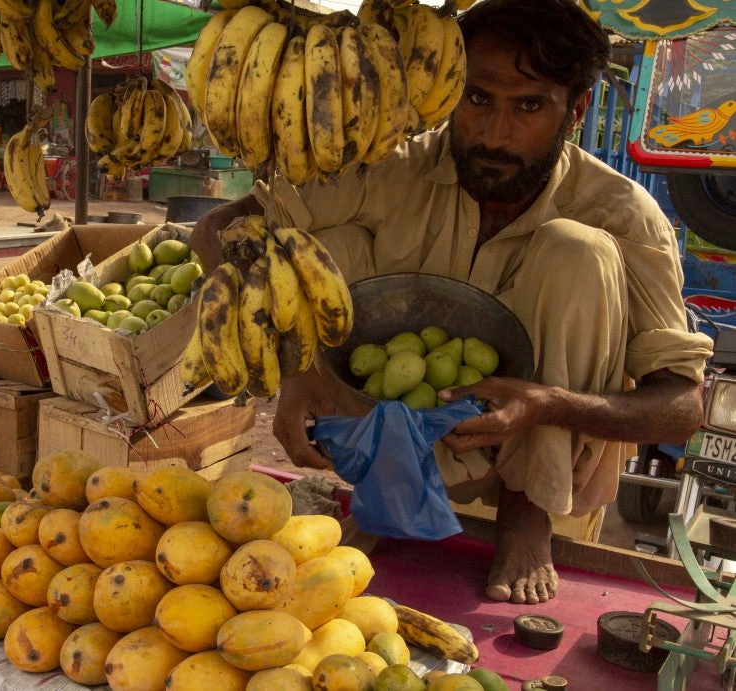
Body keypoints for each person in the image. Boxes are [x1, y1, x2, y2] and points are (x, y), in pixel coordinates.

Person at [190, 0, 714, 605]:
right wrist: (298, 369)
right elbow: (217, 232)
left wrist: (546, 404)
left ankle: (527, 517)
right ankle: (384, 492)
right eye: (478, 99)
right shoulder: (392, 164)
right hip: (389, 429)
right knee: (318, 245)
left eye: (529, 106)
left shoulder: (621, 212)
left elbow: (680, 406)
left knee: (580, 253)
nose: (494, 134)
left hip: (546, 451)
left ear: (575, 112)